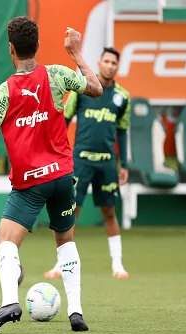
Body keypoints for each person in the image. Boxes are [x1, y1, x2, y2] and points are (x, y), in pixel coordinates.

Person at [0, 16, 103, 334]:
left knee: (5, 240)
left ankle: (9, 302)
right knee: (65, 240)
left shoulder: (5, 91)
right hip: (61, 177)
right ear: (39, 47)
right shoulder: (57, 74)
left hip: (30, 183)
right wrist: (75, 53)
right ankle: (75, 311)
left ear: (11, 49)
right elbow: (96, 88)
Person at [44, 47, 130, 279]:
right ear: (99, 63)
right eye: (107, 61)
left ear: (117, 67)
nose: (110, 66)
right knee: (71, 212)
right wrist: (56, 151)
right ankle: (60, 264)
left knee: (110, 213)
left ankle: (118, 265)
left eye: (114, 63)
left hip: (107, 164)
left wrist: (124, 164)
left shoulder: (122, 96)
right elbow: (63, 121)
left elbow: (122, 132)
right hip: (80, 161)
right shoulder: (83, 91)